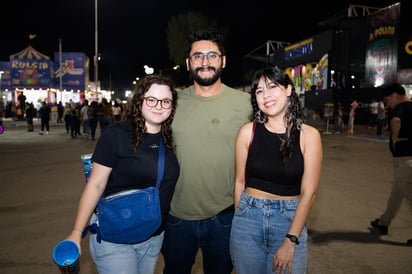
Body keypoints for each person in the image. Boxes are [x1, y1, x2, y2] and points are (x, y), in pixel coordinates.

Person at [64, 74, 180, 273]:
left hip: (152, 238)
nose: (158, 106)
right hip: (115, 239)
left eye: (166, 101)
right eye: (151, 99)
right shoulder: (116, 135)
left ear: (172, 106)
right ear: (139, 101)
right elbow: (96, 184)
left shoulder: (168, 139)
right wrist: (76, 232)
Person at [161, 28, 251, 274]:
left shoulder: (245, 104)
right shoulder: (171, 102)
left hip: (226, 217)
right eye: (198, 56)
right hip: (177, 217)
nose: (205, 62)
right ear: (189, 63)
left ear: (223, 60)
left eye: (212, 55)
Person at [229, 67, 323, 274]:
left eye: (272, 87)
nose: (266, 95)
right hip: (247, 220)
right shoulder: (247, 132)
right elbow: (239, 182)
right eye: (260, 91)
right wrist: (241, 219)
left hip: (289, 220)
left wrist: (291, 240)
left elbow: (309, 193)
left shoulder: (309, 136)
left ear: (289, 89)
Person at [370, 83, 412, 245]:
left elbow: (395, 120)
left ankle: (383, 223)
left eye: (388, 100)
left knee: (409, 195)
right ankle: (383, 223)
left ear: (395, 95)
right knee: (397, 194)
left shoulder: (401, 108)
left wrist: (395, 138)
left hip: (405, 159)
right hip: (407, 160)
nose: (388, 104)